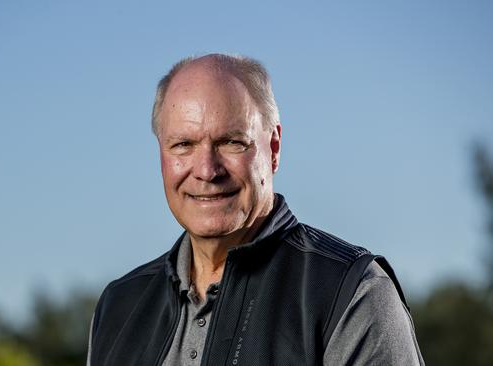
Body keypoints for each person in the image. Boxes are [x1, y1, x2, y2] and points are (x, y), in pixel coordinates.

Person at [87, 54, 424, 365]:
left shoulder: (352, 293)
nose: (207, 170)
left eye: (231, 142)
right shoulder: (119, 306)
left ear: (273, 148)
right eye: (183, 145)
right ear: (161, 155)